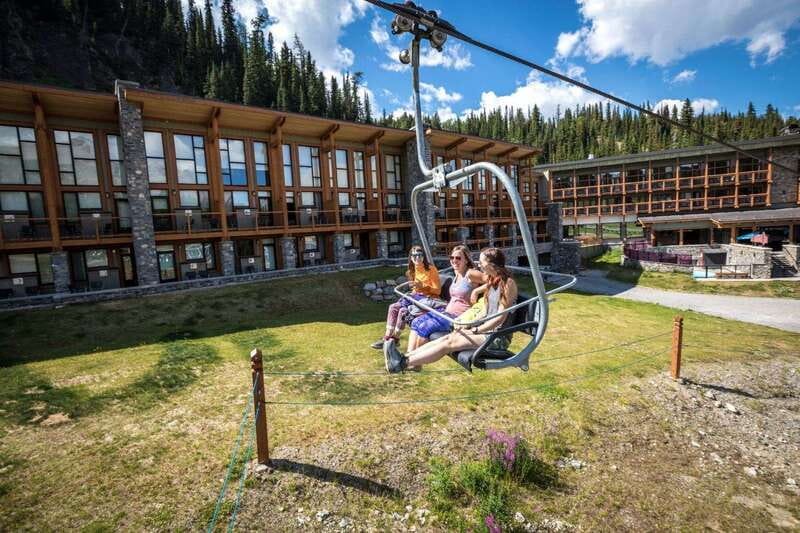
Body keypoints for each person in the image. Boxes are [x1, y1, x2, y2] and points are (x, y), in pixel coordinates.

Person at [384, 248, 517, 373]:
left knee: (450, 343)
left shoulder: (508, 284)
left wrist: (476, 330)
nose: (480, 265)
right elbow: (485, 311)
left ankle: (401, 363)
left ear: (492, 264)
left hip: (496, 337)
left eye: (482, 262)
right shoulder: (492, 281)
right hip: (485, 331)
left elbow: (499, 317)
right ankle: (403, 358)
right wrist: (469, 325)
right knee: (449, 337)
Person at [406, 245, 485, 352]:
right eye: (452, 258)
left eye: (458, 258)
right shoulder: (457, 273)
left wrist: (476, 291)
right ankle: (407, 358)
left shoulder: (471, 273)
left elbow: (494, 280)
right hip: (446, 312)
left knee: (424, 327)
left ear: (466, 260)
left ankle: (413, 363)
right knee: (416, 322)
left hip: (457, 317)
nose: (454, 261)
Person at [371, 245, 440, 350]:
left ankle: (395, 339)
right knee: (393, 307)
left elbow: (437, 291)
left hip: (427, 299)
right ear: (411, 257)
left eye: (420, 255)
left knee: (403, 311)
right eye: (414, 255)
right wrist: (414, 289)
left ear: (424, 256)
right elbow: (414, 288)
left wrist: (423, 286)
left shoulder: (431, 269)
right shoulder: (411, 271)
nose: (417, 258)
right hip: (415, 297)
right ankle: (387, 337)